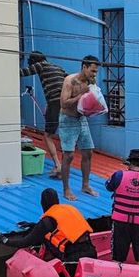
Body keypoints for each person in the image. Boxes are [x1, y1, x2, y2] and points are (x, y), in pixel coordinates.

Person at [0, 188, 96, 276]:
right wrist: (34, 226)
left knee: (44, 237)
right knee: (47, 235)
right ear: (57, 200)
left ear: (42, 203)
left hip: (73, 262)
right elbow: (65, 228)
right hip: (91, 254)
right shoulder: (70, 208)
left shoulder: (46, 221)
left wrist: (4, 240)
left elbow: (25, 242)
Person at [105, 149, 139, 265]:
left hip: (121, 223)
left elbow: (108, 187)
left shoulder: (118, 175)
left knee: (117, 258)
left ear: (129, 163)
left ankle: (116, 276)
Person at [58, 55, 100, 201]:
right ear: (84, 67)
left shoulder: (91, 81)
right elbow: (63, 103)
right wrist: (81, 95)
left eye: (96, 72)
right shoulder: (70, 80)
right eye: (92, 71)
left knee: (88, 152)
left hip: (81, 118)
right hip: (68, 119)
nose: (94, 74)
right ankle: (66, 189)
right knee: (68, 155)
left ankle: (85, 185)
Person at [21, 51, 65, 178]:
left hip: (54, 102)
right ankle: (64, 166)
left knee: (48, 135)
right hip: (66, 102)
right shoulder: (59, 68)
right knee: (65, 135)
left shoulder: (40, 65)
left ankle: (58, 165)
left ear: (33, 62)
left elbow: (22, 72)